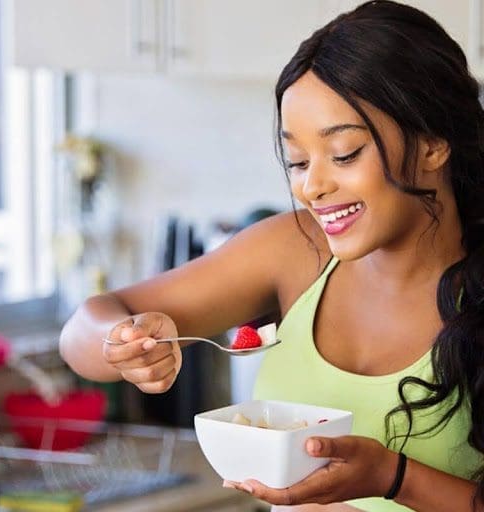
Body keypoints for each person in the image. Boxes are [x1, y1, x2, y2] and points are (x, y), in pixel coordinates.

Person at [59, 1, 484, 510]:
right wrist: (119, 344)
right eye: (298, 161)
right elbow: (84, 328)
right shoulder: (296, 249)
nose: (313, 187)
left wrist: (394, 477)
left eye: (345, 154)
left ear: (434, 144)